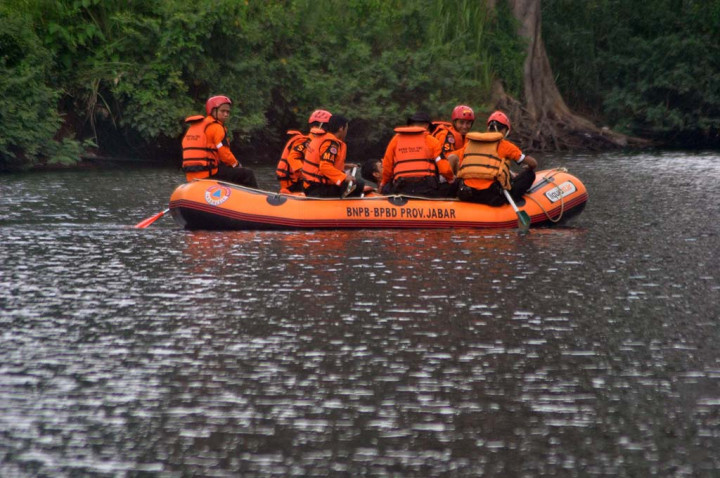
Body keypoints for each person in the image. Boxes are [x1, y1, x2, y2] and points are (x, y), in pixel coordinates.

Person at [450, 110, 538, 206]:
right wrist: (529, 167)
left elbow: (455, 160)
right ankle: (513, 200)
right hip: (491, 196)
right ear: (504, 131)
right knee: (530, 174)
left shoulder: (470, 144)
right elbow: (533, 163)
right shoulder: (505, 145)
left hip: (467, 193)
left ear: (488, 128)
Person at [181, 95, 258, 188]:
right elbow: (224, 153)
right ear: (213, 111)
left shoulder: (196, 126)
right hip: (209, 173)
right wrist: (236, 165)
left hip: (192, 175)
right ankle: (256, 198)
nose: (226, 114)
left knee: (228, 170)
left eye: (228, 112)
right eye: (223, 111)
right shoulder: (217, 127)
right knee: (247, 174)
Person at [379, 111, 456, 198]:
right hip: (427, 188)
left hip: (401, 187)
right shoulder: (431, 140)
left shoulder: (396, 140)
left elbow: (387, 166)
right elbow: (444, 169)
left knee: (386, 188)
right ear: (426, 126)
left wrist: (384, 183)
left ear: (410, 125)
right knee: (452, 187)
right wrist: (451, 179)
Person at [302, 114, 365, 198]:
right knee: (359, 184)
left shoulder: (322, 138)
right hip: (318, 188)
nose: (346, 131)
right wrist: (344, 177)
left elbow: (323, 163)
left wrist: (345, 166)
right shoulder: (331, 144)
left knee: (353, 183)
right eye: (346, 128)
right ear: (341, 128)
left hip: (310, 185)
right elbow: (324, 166)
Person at [276, 109, 332, 193]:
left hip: (300, 180)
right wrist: (306, 172)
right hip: (293, 182)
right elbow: (292, 158)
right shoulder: (306, 142)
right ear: (322, 126)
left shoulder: (317, 141)